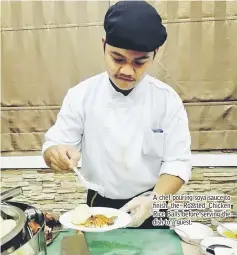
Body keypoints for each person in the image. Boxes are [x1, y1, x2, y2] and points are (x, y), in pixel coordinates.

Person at [42, 0, 192, 229]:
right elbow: (54, 146)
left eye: (139, 62)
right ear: (103, 45)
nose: (126, 71)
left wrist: (153, 200)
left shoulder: (167, 100)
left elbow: (178, 162)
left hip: (151, 202)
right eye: (117, 58)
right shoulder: (81, 95)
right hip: (99, 204)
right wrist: (56, 154)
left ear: (155, 54)